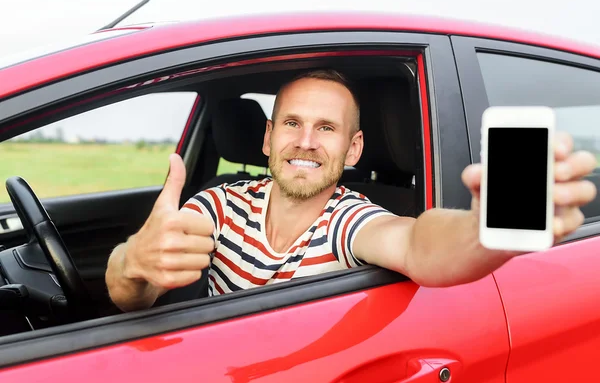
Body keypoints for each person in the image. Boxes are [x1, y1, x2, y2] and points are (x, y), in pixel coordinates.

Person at [105, 69, 598, 312]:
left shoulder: (349, 221)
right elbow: (134, 294)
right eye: (292, 123)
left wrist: (484, 232)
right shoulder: (219, 203)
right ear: (267, 137)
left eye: (326, 128)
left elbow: (415, 242)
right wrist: (131, 263)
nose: (304, 142)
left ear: (354, 148)